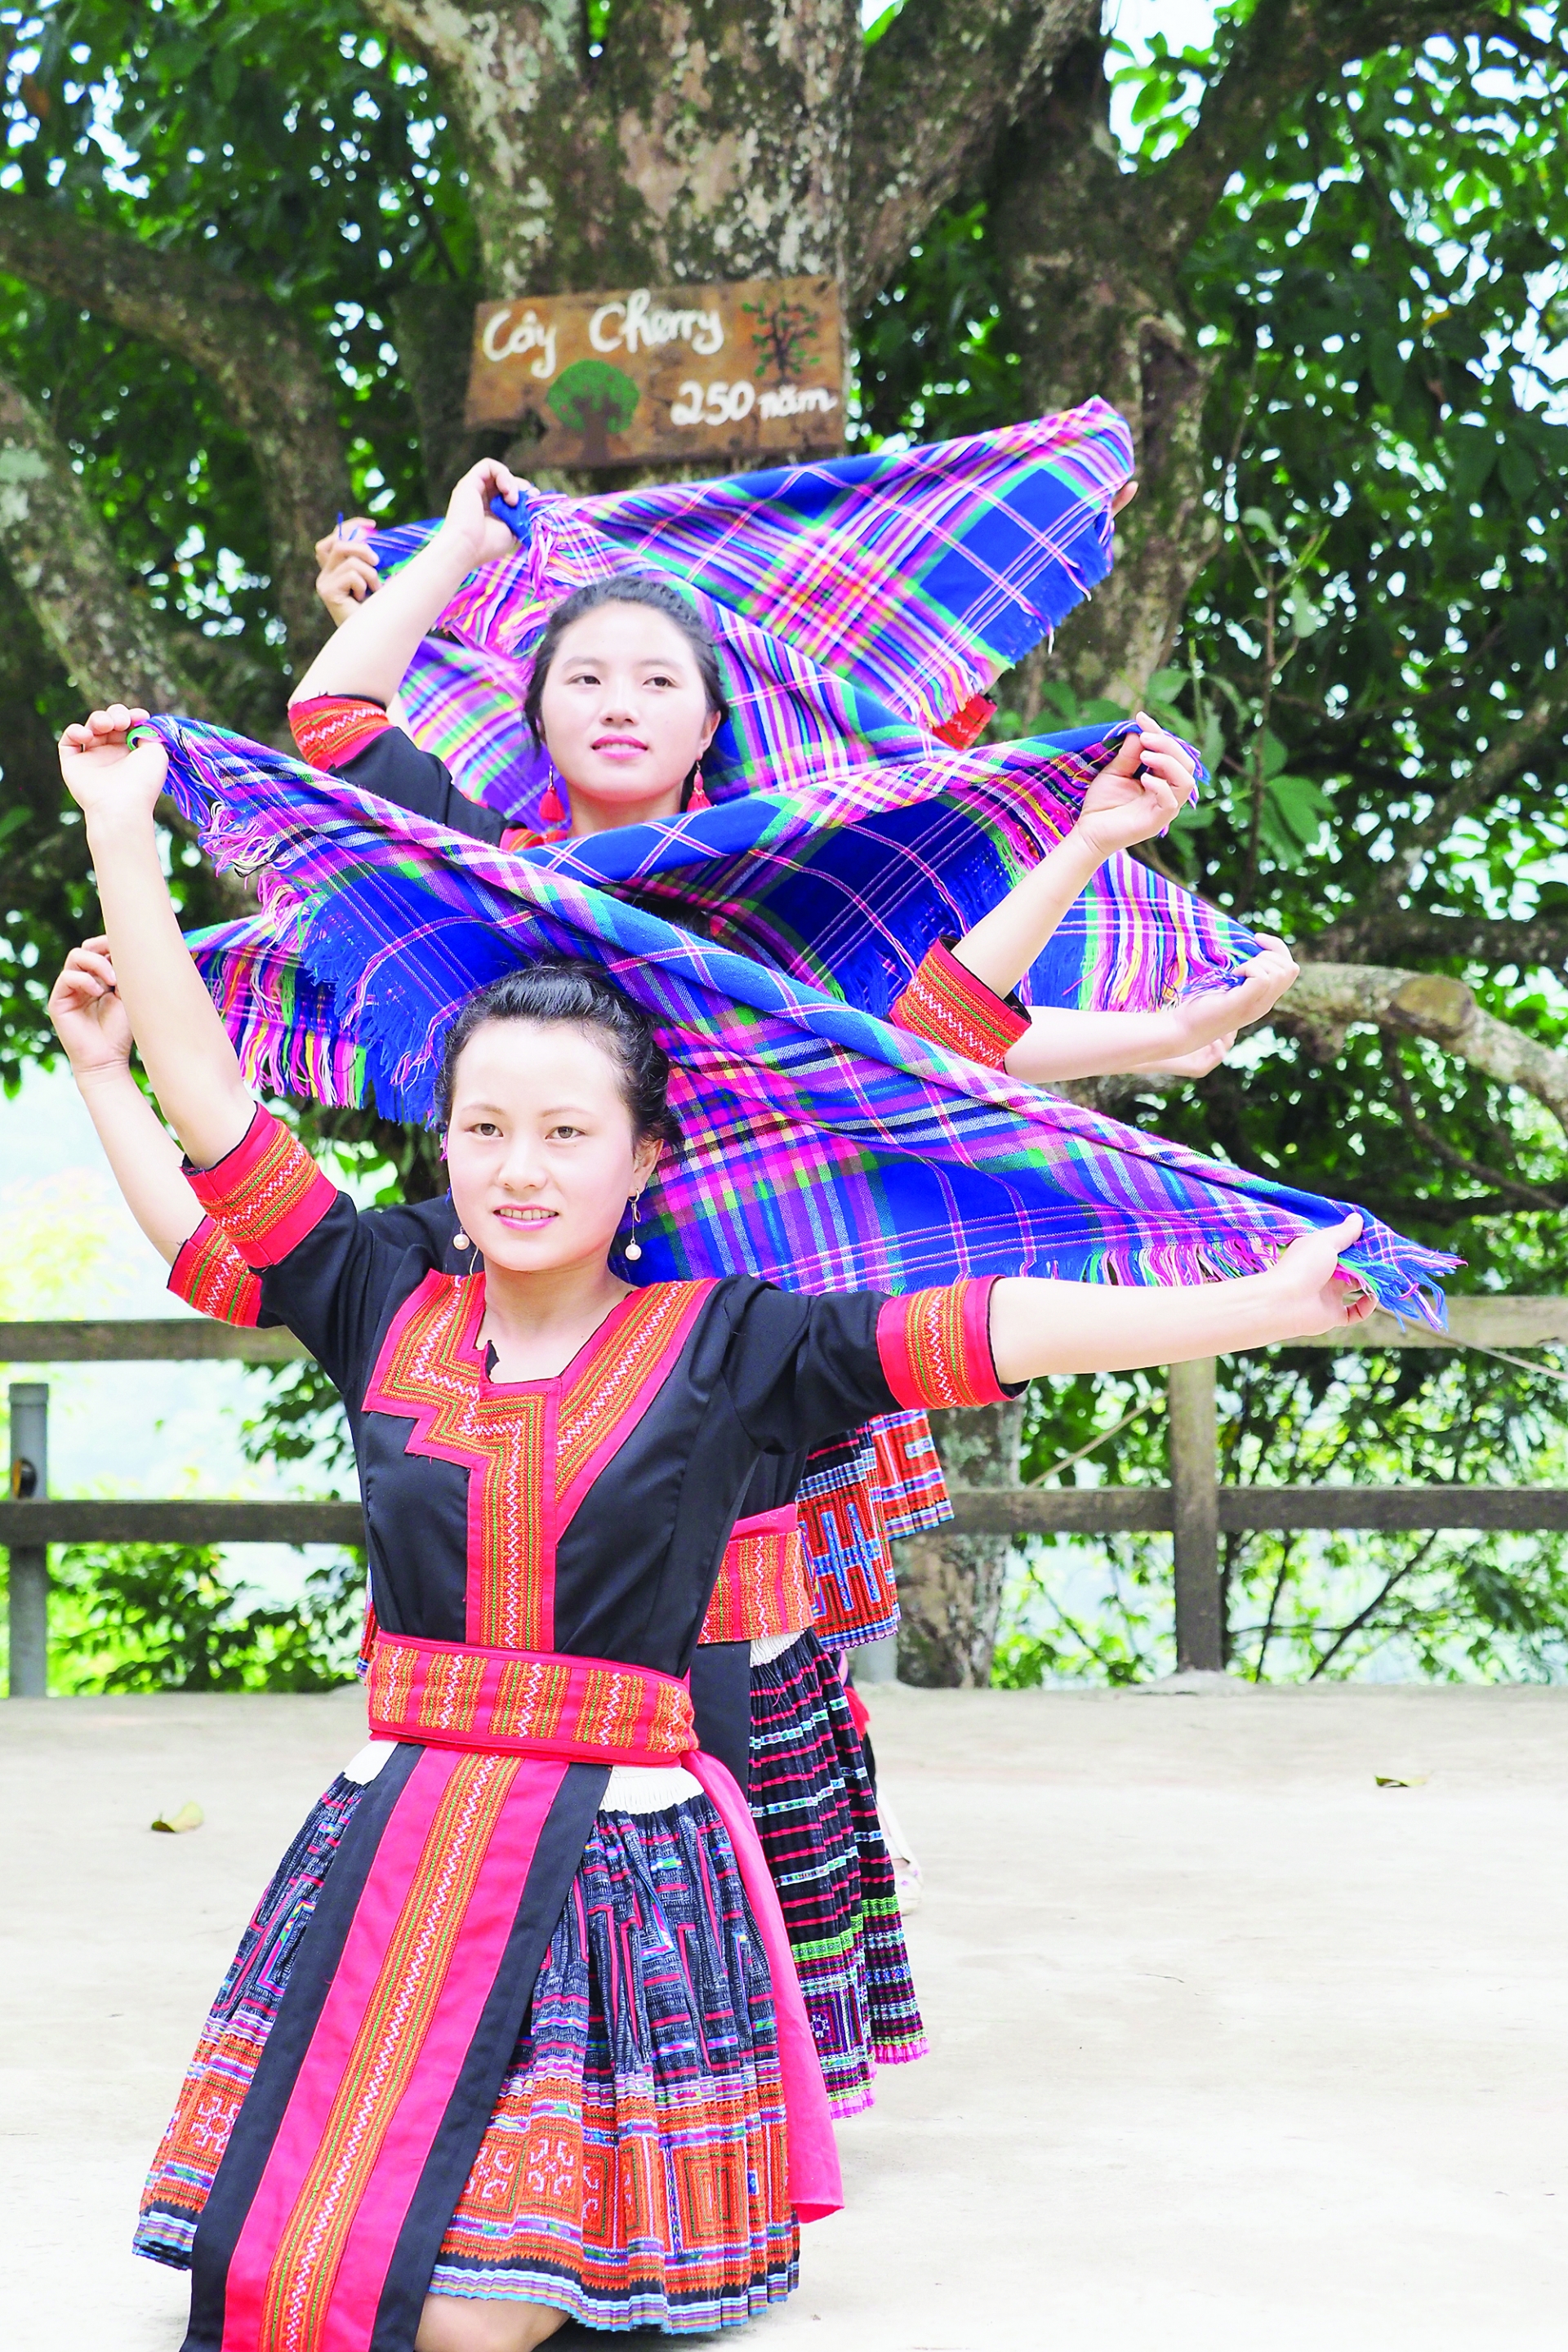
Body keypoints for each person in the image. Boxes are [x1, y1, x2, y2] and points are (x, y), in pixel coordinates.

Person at [55, 704, 1370, 2351]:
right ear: (444, 1145)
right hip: (388, 1847)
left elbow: (1000, 1325)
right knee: (265, 2283)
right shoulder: (372, 1289)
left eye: (565, 1134)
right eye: (485, 1131)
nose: (519, 1168)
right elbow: (213, 1107)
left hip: (610, 1874)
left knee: (462, 2320)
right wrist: (123, 826)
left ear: (642, 1155)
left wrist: (1257, 1303)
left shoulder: (738, 1340)